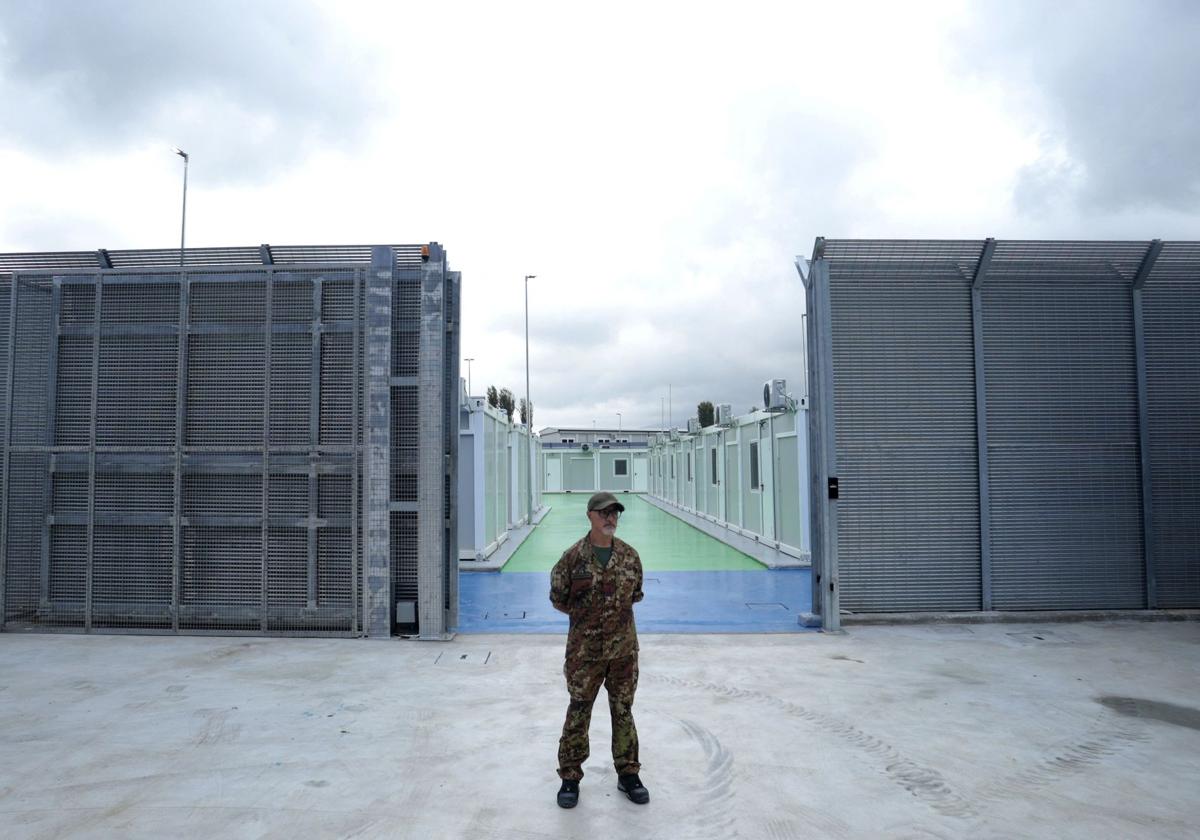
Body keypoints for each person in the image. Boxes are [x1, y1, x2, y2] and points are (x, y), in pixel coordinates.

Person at [549, 491, 649, 809]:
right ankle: (569, 777)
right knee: (579, 711)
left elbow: (635, 594)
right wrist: (588, 621)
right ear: (590, 515)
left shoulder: (630, 556)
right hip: (584, 652)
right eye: (604, 512)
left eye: (615, 513)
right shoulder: (572, 558)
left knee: (623, 712)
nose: (610, 518)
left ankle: (628, 774)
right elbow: (558, 598)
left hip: (622, 651)